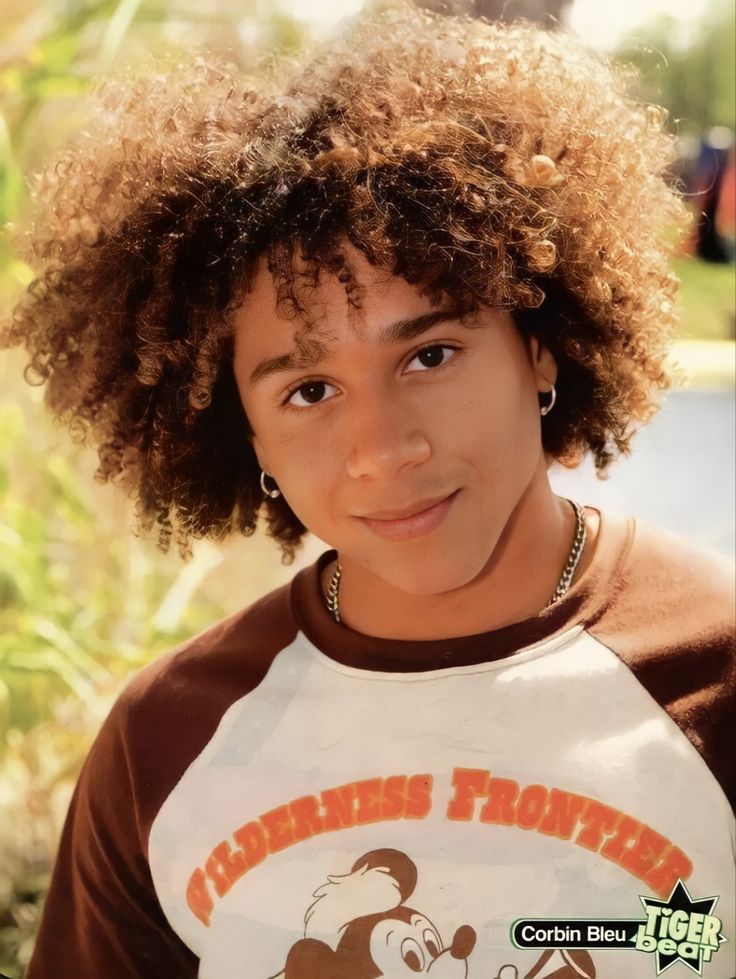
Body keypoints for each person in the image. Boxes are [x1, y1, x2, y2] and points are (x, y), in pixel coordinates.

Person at [3, 5, 734, 978]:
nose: (381, 449)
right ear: (243, 430)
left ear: (540, 346)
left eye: (429, 353)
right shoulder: (169, 740)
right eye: (308, 390)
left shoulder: (717, 675)